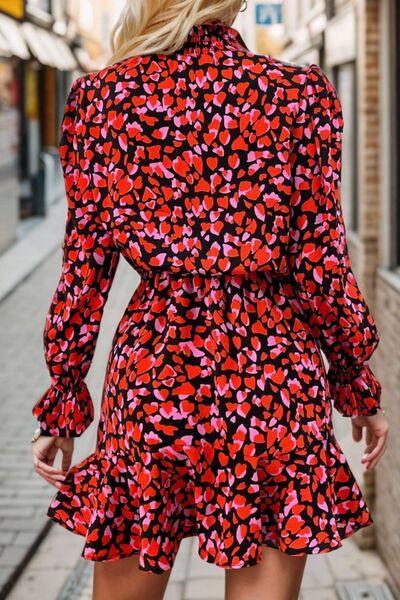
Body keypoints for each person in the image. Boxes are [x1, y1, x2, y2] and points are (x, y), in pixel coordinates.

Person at [30, 1, 388, 599]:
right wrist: (355, 382)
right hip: (271, 374)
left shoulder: (103, 99)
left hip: (155, 369)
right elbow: (321, 261)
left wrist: (64, 400)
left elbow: (84, 269)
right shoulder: (298, 94)